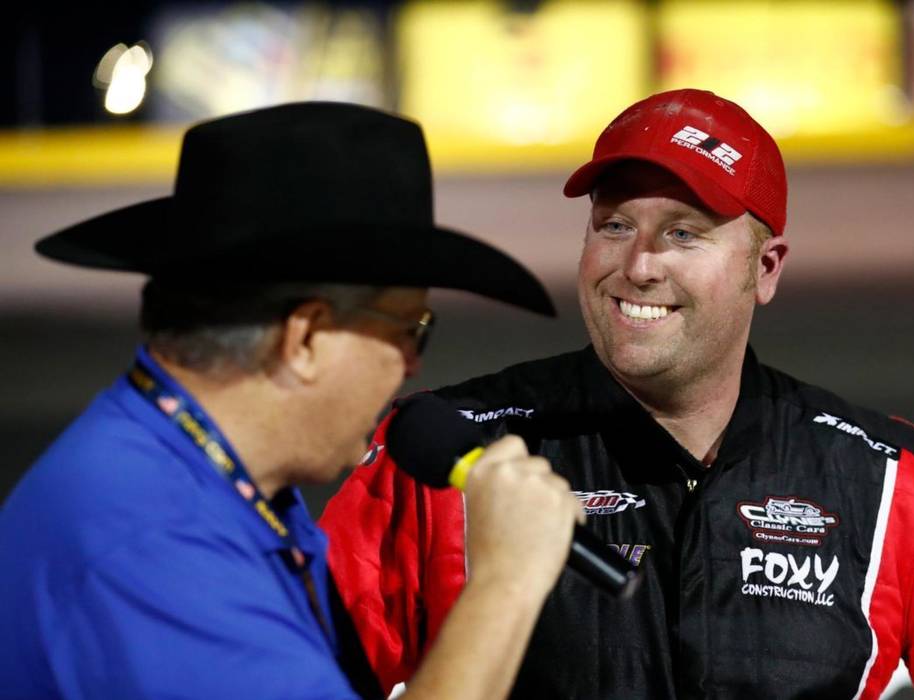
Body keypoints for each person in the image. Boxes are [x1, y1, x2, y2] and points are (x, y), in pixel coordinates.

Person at [320, 89, 914, 699]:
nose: (637, 266)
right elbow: (287, 668)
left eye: (682, 233)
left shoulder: (890, 481)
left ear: (764, 269)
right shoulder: (450, 455)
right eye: (613, 226)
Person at [0, 102, 585, 700]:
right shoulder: (157, 542)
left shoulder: (200, 476)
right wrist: (507, 579)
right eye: (409, 330)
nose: (413, 364)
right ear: (305, 338)